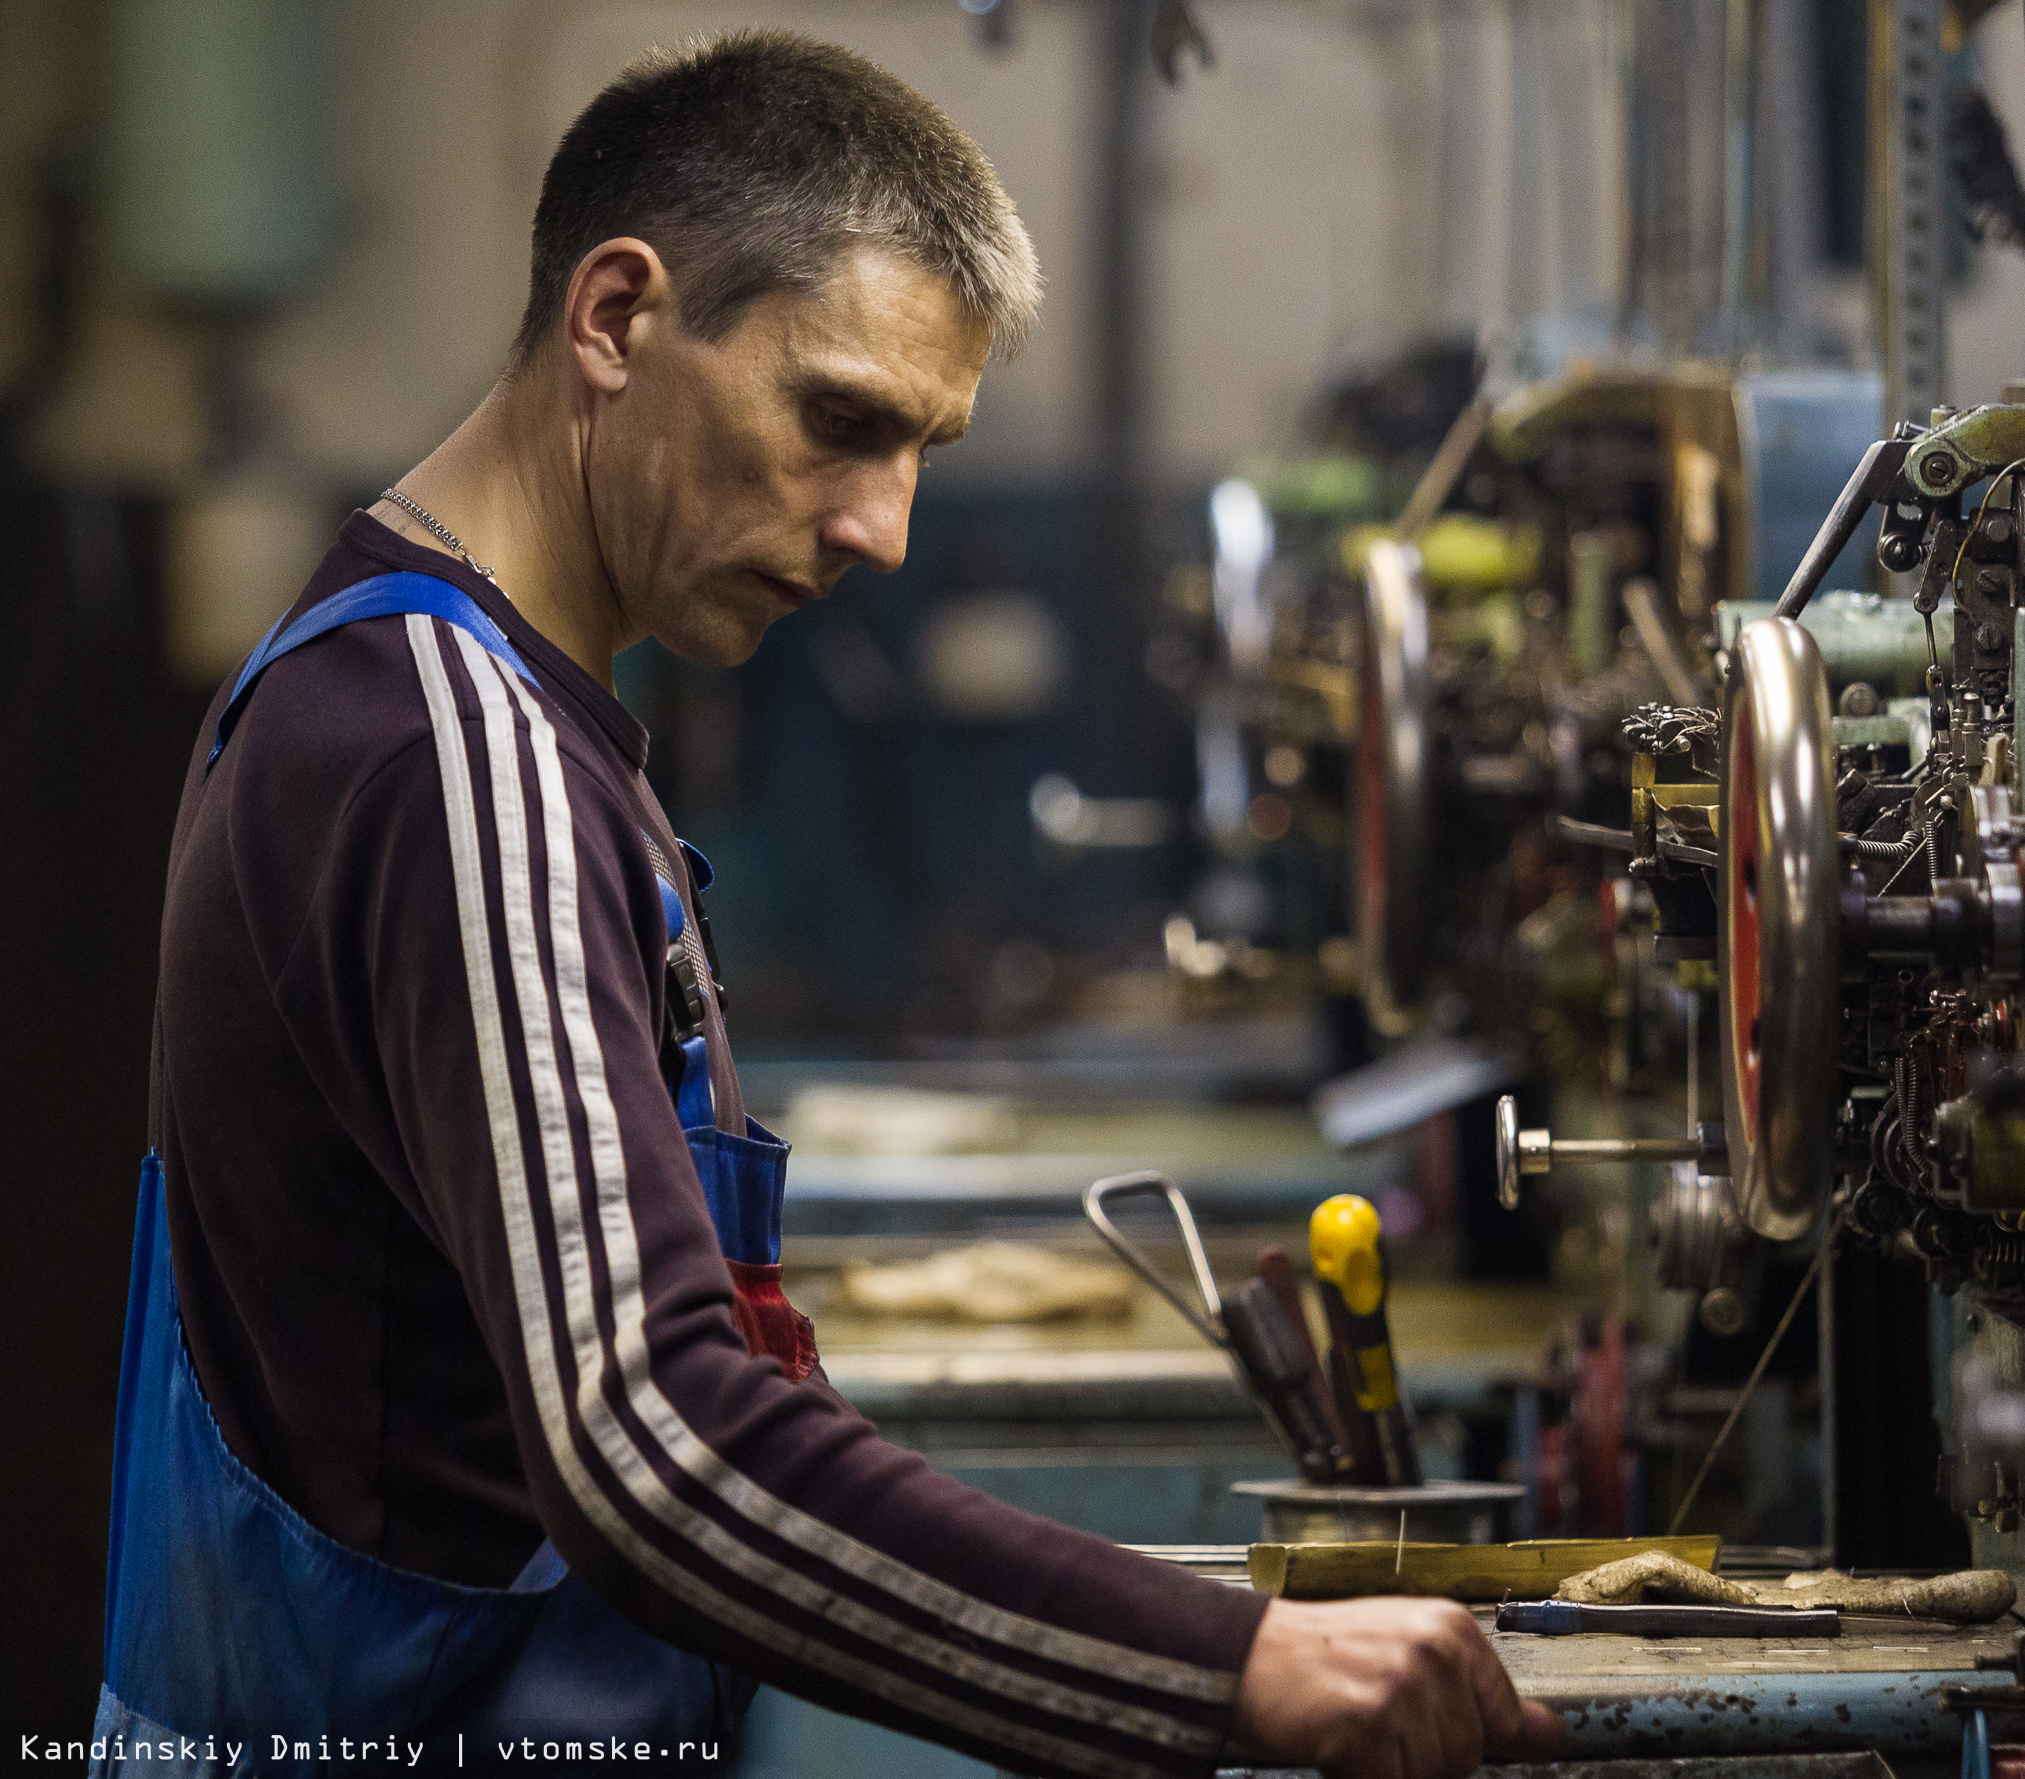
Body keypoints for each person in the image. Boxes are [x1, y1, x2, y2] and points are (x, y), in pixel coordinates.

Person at [94, 28, 1562, 1779]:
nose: (885, 527)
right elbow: (650, 1440)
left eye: (926, 448)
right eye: (839, 421)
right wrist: (1228, 1667)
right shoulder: (449, 744)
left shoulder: (480, 703)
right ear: (618, 319)